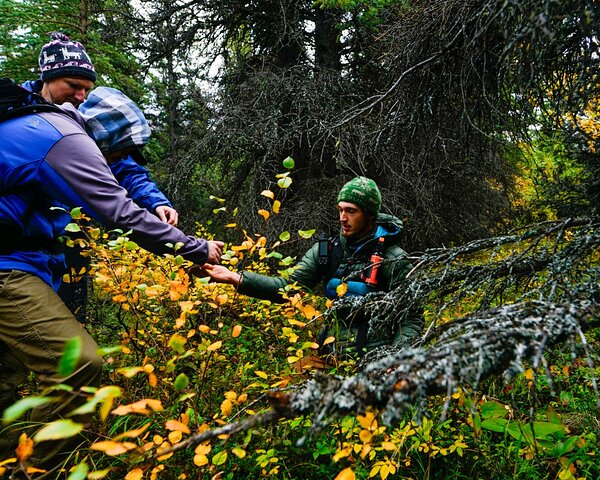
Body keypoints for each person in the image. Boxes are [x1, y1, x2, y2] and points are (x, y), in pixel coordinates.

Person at [0, 78, 224, 470]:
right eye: (120, 151)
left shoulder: (50, 123)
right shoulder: (65, 139)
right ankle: (34, 472)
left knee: (5, 375)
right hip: (8, 266)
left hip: (21, 258)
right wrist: (192, 247)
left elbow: (125, 170)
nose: (120, 160)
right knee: (78, 363)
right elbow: (118, 212)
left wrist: (154, 201)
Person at [21, 33, 179, 321]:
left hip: (70, 233)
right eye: (73, 86)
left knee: (72, 311)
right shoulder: (19, 114)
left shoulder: (89, 115)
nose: (81, 96)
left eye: (86, 88)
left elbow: (124, 166)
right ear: (48, 78)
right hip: (20, 241)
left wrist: (156, 202)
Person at [202, 176, 424, 357]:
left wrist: (396, 361)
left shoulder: (394, 259)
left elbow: (411, 318)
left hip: (374, 361)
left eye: (351, 211)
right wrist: (235, 277)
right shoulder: (327, 251)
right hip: (329, 355)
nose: (343, 218)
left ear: (370, 215)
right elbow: (287, 288)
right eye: (340, 210)